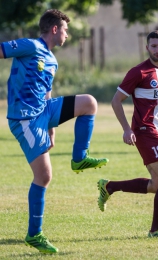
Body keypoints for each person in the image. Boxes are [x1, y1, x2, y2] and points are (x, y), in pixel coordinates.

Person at [0, 9, 108, 253]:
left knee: (89, 103)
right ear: (55, 29)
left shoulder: (52, 59)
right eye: (66, 30)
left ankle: (79, 158)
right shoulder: (29, 45)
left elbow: (47, 93)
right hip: (24, 118)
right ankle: (34, 235)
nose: (67, 35)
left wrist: (51, 131)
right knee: (44, 177)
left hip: (44, 111)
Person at [97, 30, 158, 238]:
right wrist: (126, 129)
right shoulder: (138, 72)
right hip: (144, 131)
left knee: (156, 184)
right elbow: (116, 101)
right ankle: (156, 231)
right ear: (147, 47)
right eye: (154, 46)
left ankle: (109, 187)